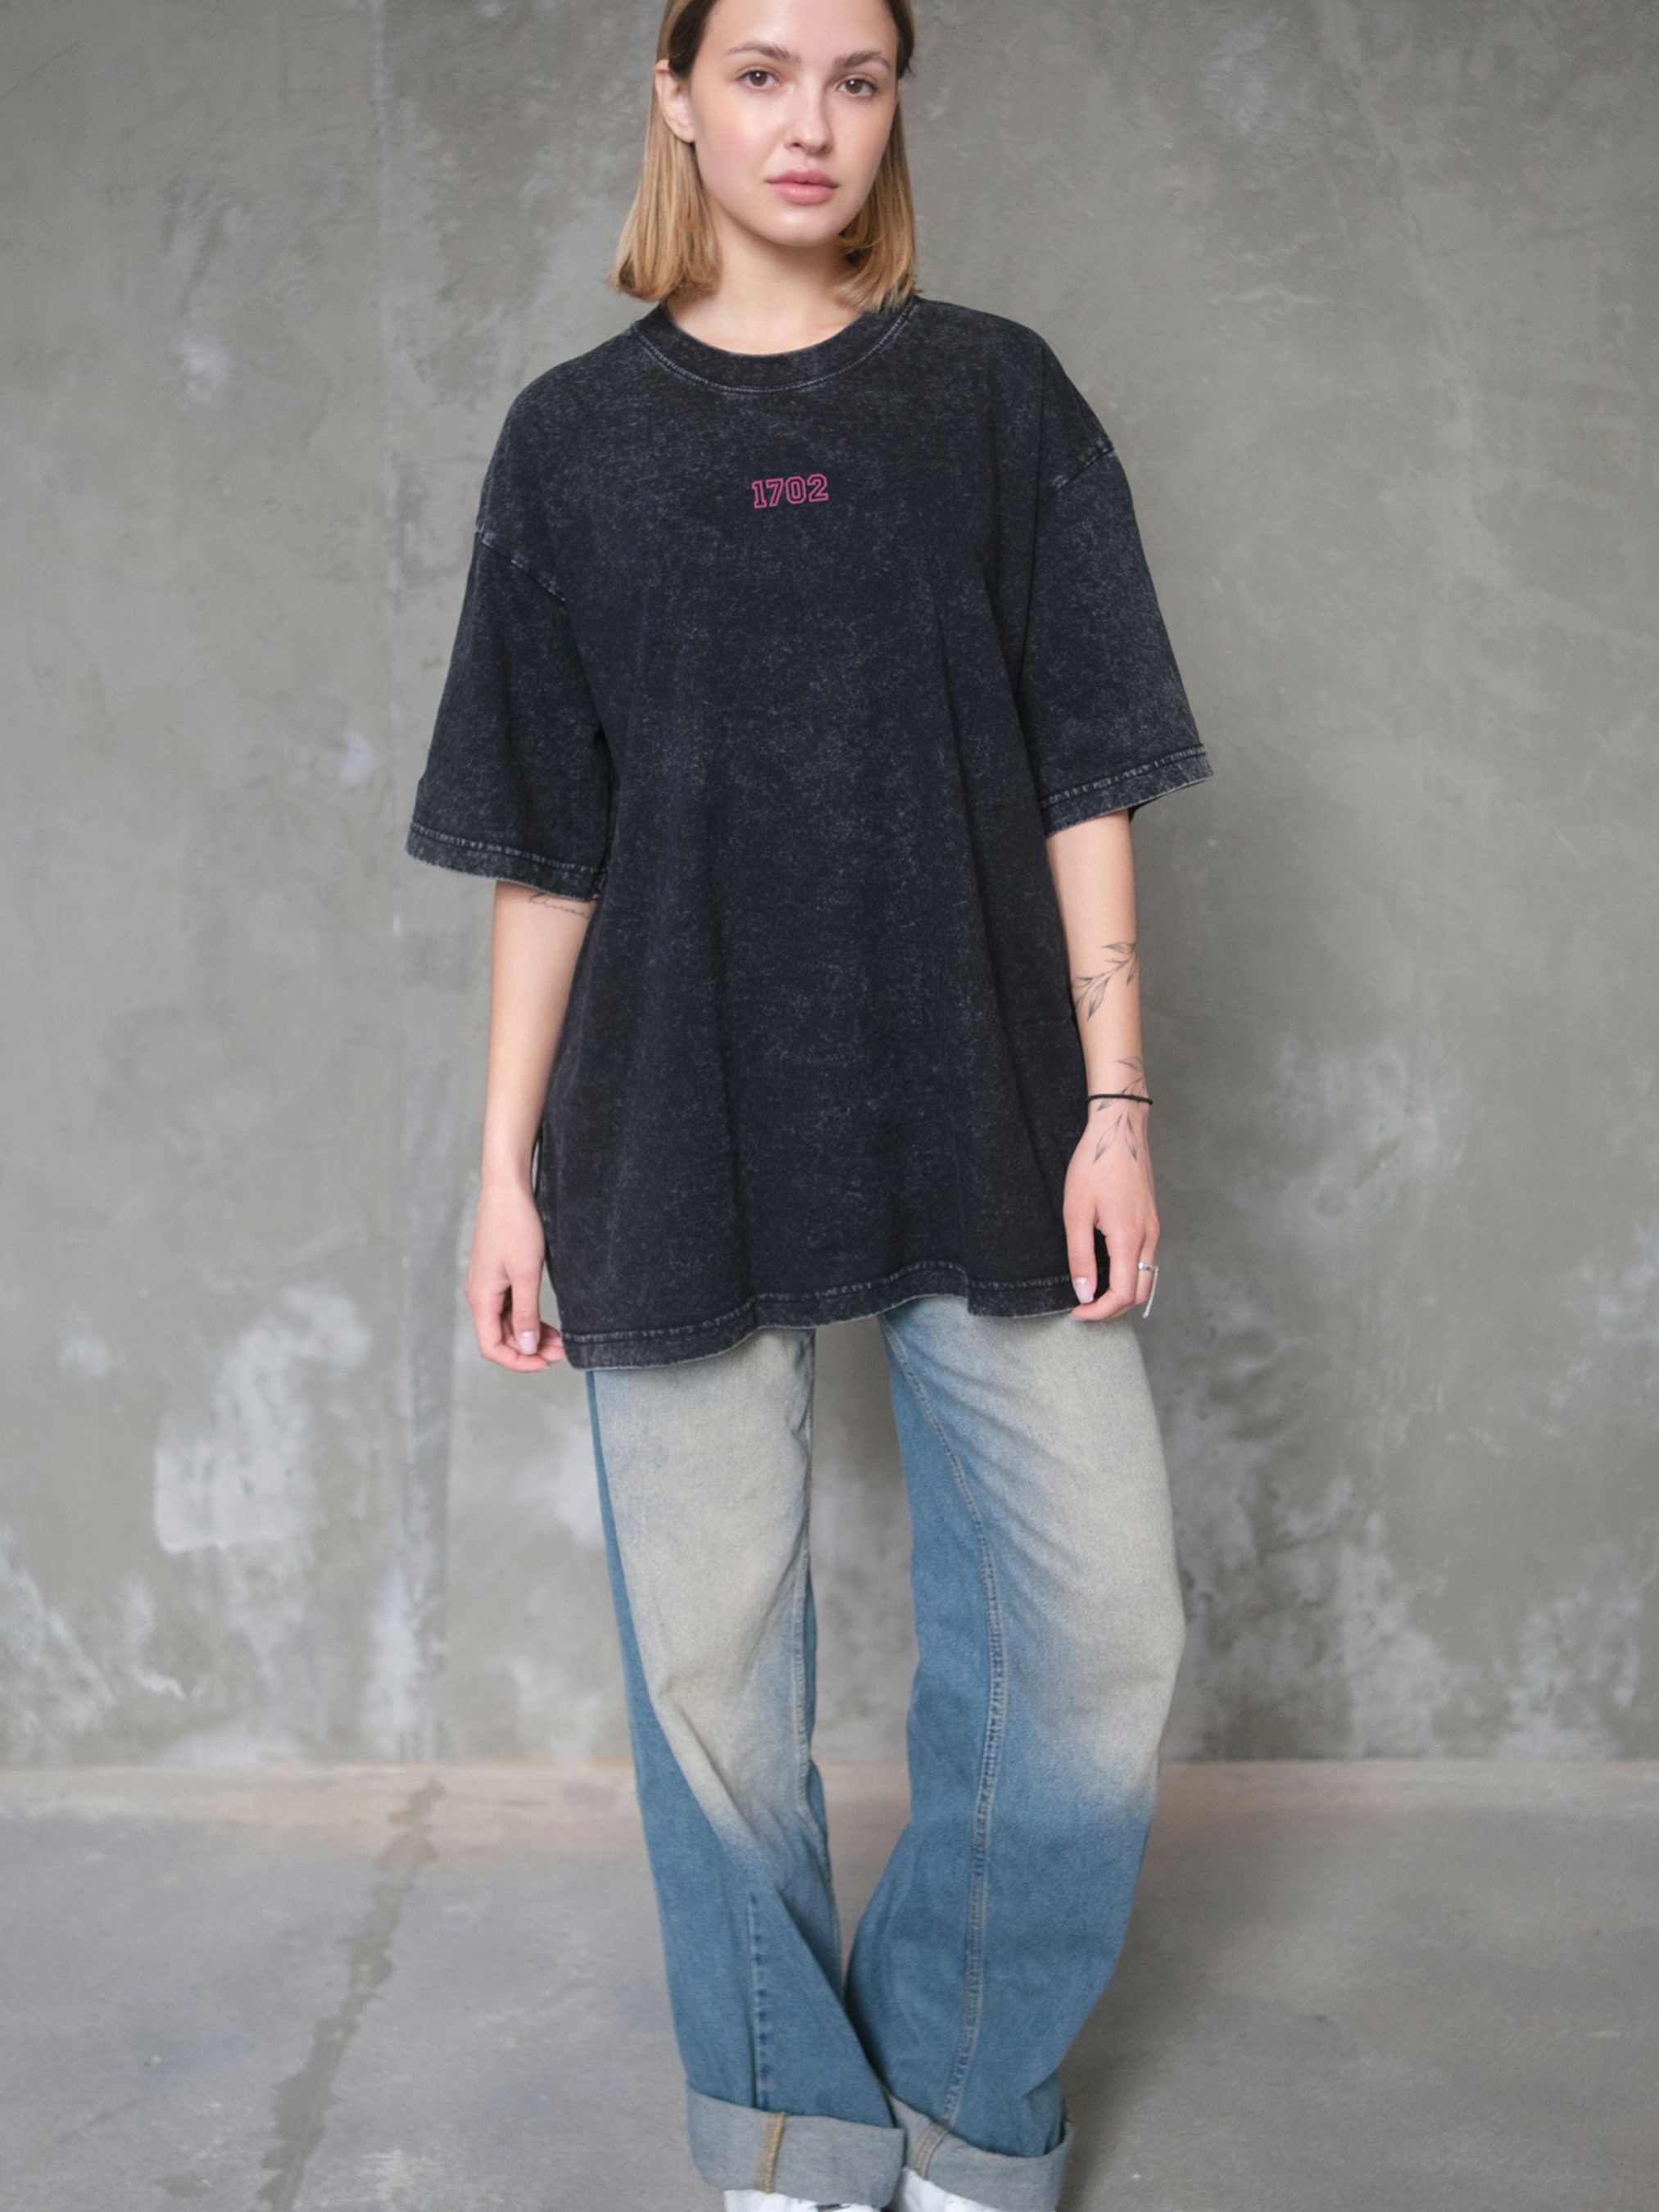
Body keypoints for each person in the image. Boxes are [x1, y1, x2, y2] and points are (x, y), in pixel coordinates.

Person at [404, 0, 1213, 2204]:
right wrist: (502, 1171)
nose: (810, 124)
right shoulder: (572, 443)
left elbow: (1086, 778)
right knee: (710, 1678)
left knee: (1096, 1635)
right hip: (671, 1117)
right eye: (759, 73)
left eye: (856, 78)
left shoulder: (996, 402)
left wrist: (1116, 1103)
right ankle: (783, 2125)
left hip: (992, 1104)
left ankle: (963, 2099)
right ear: (673, 94)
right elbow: (546, 847)